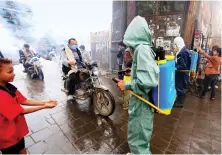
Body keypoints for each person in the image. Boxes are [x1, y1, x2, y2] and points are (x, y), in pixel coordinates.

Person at [117, 16, 159, 154]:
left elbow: (148, 81)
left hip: (142, 103)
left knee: (139, 140)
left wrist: (127, 85)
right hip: (140, 101)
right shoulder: (144, 49)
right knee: (137, 136)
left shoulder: (141, 50)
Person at [0, 58, 58, 154]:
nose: (14, 74)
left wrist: (45, 102)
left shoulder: (8, 86)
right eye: (10, 72)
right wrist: (44, 106)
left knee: (22, 149)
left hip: (16, 132)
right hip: (6, 136)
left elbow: (24, 100)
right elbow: (21, 111)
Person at [173, 37, 191, 107]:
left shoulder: (182, 52)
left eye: (175, 44)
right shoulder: (185, 50)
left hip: (181, 73)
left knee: (179, 86)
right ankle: (180, 99)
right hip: (183, 73)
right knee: (181, 86)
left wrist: (175, 68)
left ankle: (180, 102)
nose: (175, 46)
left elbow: (183, 65)